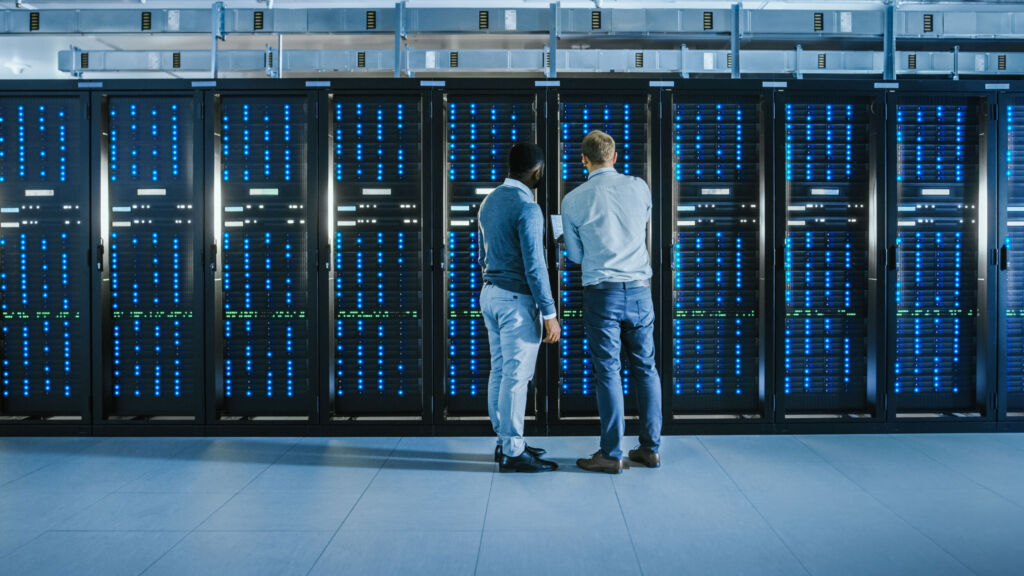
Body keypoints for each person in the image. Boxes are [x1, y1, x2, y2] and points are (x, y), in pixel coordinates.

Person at [561, 130, 662, 474]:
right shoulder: (639, 187)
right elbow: (641, 225)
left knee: (608, 371)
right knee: (646, 369)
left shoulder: (573, 200)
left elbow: (575, 256)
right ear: (615, 156)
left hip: (601, 293)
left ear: (584, 160)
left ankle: (611, 453)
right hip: (639, 290)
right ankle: (650, 449)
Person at [478, 142, 561, 473]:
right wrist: (550, 313)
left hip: (490, 294)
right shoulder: (528, 208)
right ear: (537, 171)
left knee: (500, 371)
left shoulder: (490, 200)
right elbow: (535, 266)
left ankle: (505, 442)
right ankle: (513, 451)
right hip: (516, 301)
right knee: (516, 376)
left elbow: (486, 255)